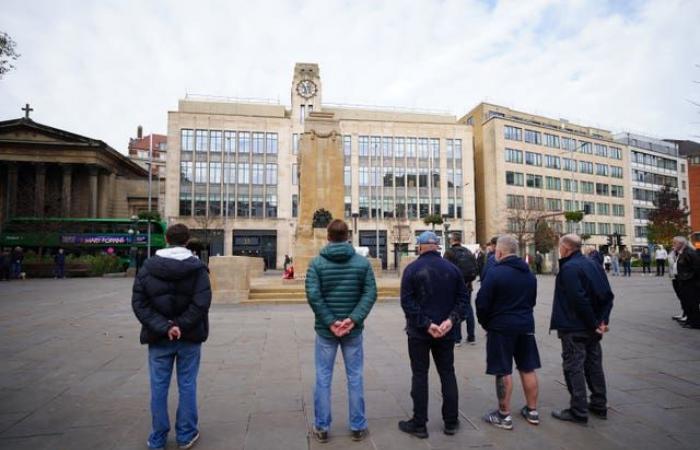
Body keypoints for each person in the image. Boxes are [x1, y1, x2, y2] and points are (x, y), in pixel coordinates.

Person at [132, 223, 212, 450]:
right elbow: (202, 303)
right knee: (187, 384)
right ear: (187, 241)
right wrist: (180, 326)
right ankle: (186, 434)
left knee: (158, 386)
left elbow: (140, 304)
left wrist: (165, 327)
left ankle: (158, 437)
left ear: (166, 239)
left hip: (158, 337)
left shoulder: (148, 267)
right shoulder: (197, 268)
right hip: (189, 336)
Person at [305, 219, 377, 443]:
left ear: (328, 236)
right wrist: (352, 320)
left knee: (323, 378)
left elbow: (313, 296)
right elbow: (370, 293)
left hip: (326, 332)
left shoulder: (316, 264)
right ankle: (357, 425)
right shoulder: (362, 263)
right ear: (348, 236)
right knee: (355, 377)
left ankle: (322, 426)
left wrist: (330, 322)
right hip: (353, 331)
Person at [399, 231, 467, 439]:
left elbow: (407, 302)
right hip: (446, 332)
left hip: (419, 333)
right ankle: (451, 421)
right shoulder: (453, 270)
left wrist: (426, 324)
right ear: (437, 246)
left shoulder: (412, 269)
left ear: (419, 247)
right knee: (447, 373)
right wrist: (450, 321)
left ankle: (419, 424)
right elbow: (463, 301)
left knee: (420, 375)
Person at [476, 235, 540, 430]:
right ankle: (532, 410)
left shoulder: (495, 273)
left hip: (501, 328)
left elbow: (482, 303)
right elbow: (532, 300)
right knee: (527, 367)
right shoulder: (529, 274)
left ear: (499, 252)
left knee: (503, 370)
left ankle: (504, 414)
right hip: (525, 325)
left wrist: (486, 323)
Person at [551, 234, 614, 425]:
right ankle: (599, 404)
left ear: (566, 248)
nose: (559, 250)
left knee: (574, 366)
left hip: (575, 326)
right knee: (593, 365)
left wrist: (595, 323)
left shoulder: (569, 268)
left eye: (560, 246)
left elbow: (578, 299)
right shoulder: (593, 264)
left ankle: (578, 410)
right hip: (591, 326)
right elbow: (608, 296)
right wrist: (601, 321)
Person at [443, 233, 477, 346]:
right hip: (468, 285)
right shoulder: (468, 252)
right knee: (468, 309)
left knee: (456, 309)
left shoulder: (449, 253)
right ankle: (471, 336)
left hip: (454, 286)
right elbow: (475, 268)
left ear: (452, 240)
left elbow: (445, 269)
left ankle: (457, 338)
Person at [672, 236, 700, 329]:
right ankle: (690, 320)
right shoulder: (681, 252)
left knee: (692, 303)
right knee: (687, 302)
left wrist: (689, 277)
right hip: (683, 281)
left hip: (690, 283)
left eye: (675, 243)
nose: (673, 245)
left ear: (681, 244)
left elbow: (697, 268)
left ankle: (695, 323)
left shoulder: (690, 252)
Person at [668, 248, 686, 323]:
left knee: (684, 296)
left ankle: (687, 314)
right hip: (674, 277)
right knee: (680, 295)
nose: (673, 246)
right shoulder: (673, 253)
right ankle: (684, 312)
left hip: (681, 277)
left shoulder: (683, 253)